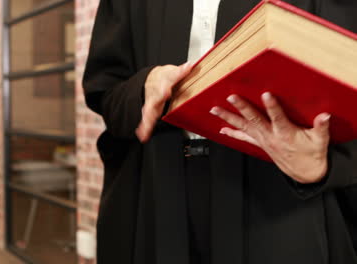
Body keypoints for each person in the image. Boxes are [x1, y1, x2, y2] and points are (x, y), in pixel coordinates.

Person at [83, 0, 357, 263]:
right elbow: (106, 93)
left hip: (282, 201)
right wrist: (144, 86)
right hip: (159, 188)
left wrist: (325, 167)